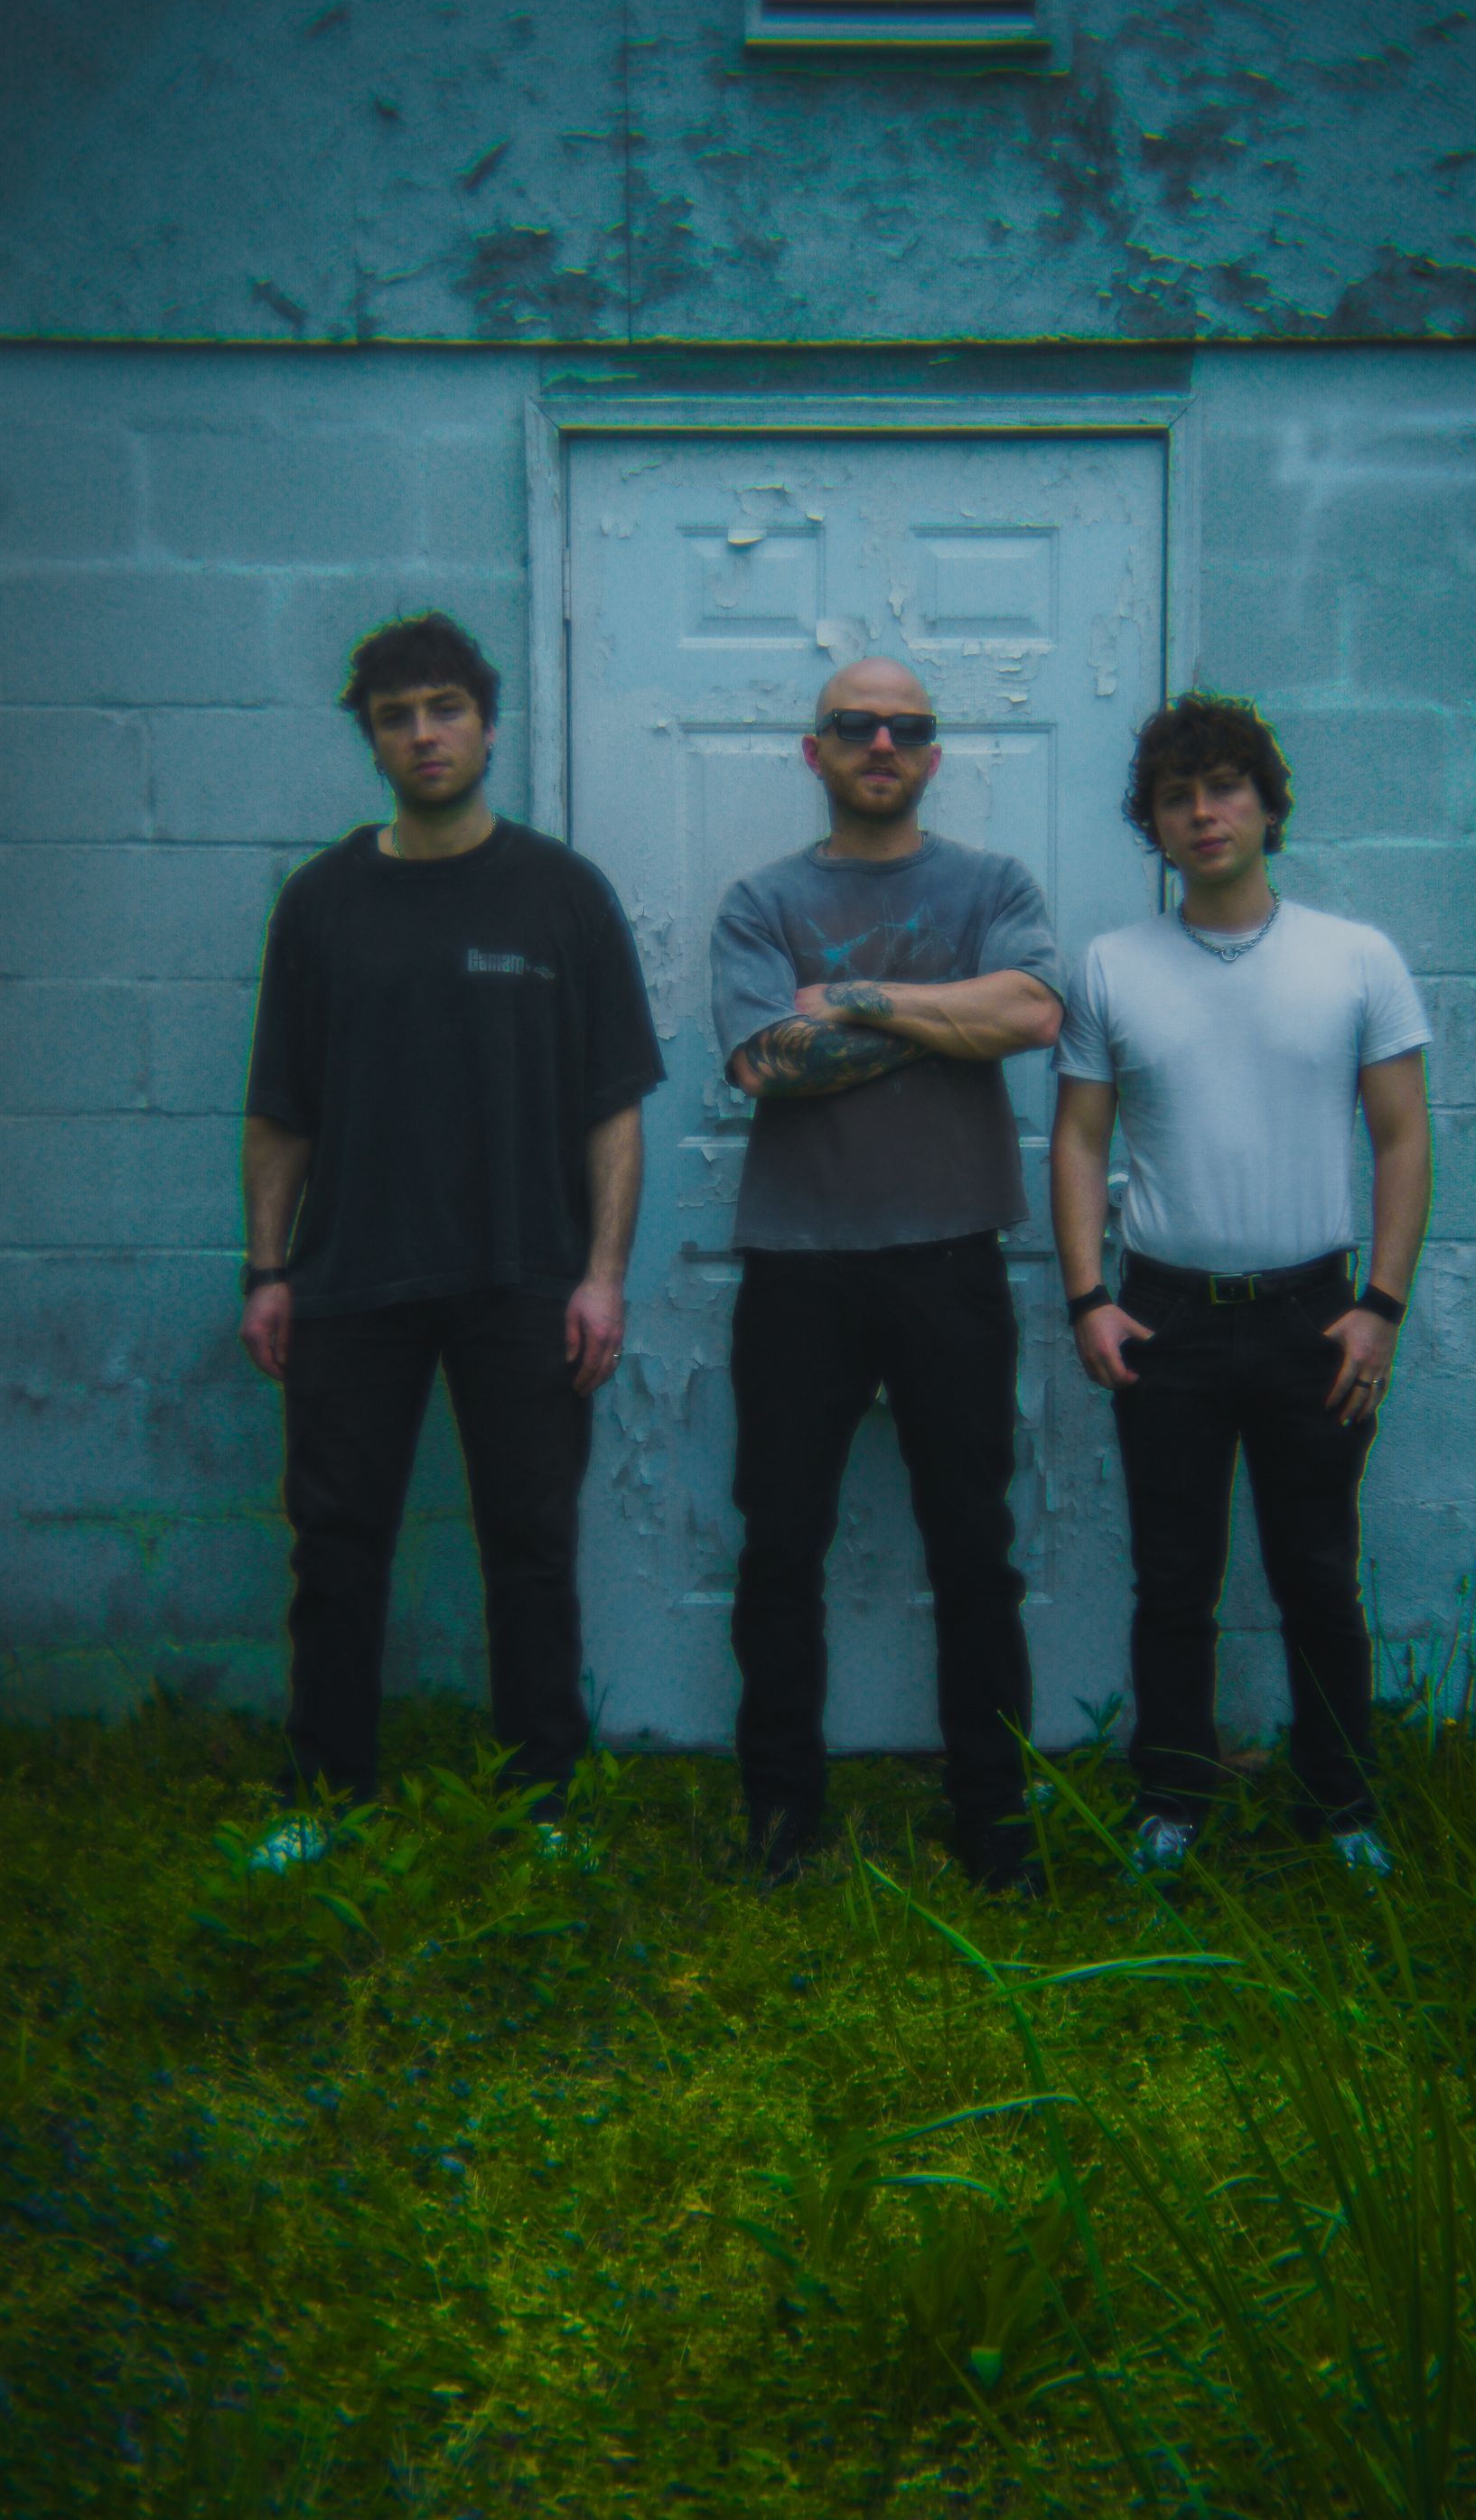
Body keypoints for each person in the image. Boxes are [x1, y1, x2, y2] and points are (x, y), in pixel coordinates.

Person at [239, 612, 664, 1868]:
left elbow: (613, 1108)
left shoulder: (561, 894)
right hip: (353, 1280)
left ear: (486, 721)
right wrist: (269, 1270)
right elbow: (281, 1110)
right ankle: (324, 1797)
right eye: (395, 715)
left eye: (444, 708)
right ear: (370, 739)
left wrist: (600, 1278)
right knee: (335, 1546)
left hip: (525, 1279)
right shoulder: (321, 904)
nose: (423, 733)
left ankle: (540, 1800)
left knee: (531, 1548)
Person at [1050, 690, 1433, 1879]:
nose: (1202, 812)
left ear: (1268, 805)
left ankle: (1343, 1805)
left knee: (1317, 1571)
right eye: (1176, 795)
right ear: (1151, 825)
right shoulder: (1113, 966)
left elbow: (1404, 1138)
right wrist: (1085, 1297)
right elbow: (1077, 1142)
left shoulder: (1355, 957)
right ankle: (1172, 1800)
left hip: (1315, 1314)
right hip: (1163, 1315)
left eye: (1224, 787)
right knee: (1174, 1577)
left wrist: (1381, 1307)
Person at [710, 657, 1065, 1890]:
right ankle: (780, 1810)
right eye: (854, 726)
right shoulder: (759, 901)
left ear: (933, 751)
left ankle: (994, 1816)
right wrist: (941, 1018)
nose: (880, 741)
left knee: (974, 1544)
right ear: (814, 751)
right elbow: (764, 1063)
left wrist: (852, 998)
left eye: (905, 727)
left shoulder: (993, 885)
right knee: (779, 1548)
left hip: (950, 1257)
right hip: (799, 1267)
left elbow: (1028, 1017)